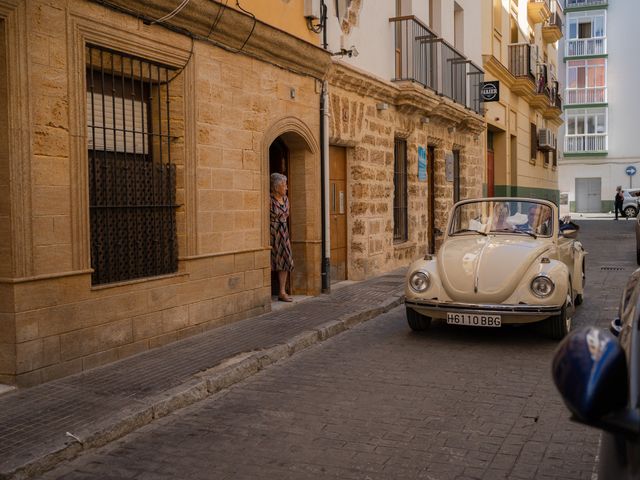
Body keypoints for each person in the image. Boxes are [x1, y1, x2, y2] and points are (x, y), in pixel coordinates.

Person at [270, 173, 294, 302]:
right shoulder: (269, 200)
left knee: (285, 261)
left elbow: (287, 214)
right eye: (284, 185)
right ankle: (267, 291)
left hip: (283, 232)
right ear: (276, 186)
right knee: (271, 261)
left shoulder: (285, 199)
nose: (286, 188)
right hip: (272, 232)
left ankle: (282, 292)